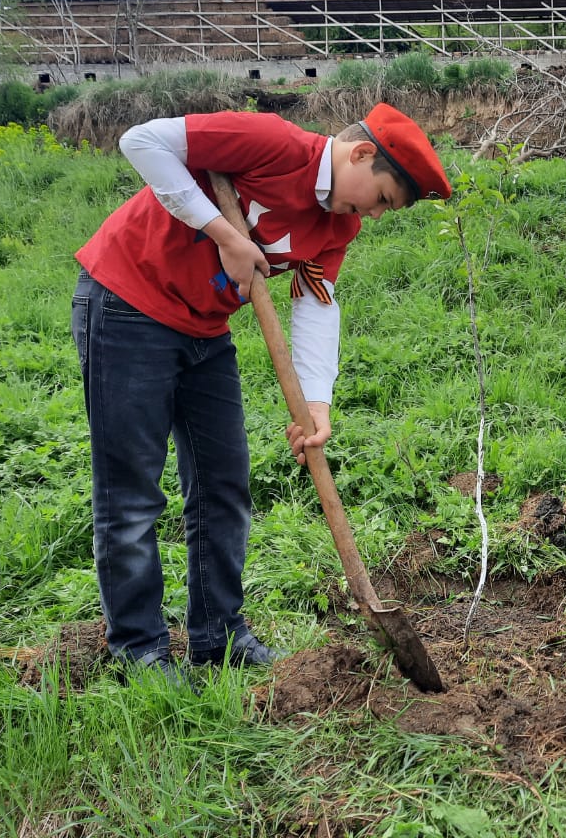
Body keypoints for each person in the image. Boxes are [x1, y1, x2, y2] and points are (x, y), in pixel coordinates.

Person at [71, 103, 451, 681]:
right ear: (362, 154)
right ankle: (139, 647)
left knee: (224, 484)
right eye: (381, 200)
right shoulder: (272, 144)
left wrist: (316, 405)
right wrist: (224, 233)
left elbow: (316, 305)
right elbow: (142, 140)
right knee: (131, 494)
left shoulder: (338, 223)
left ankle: (218, 637)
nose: (372, 216)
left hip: (204, 331)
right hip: (128, 305)